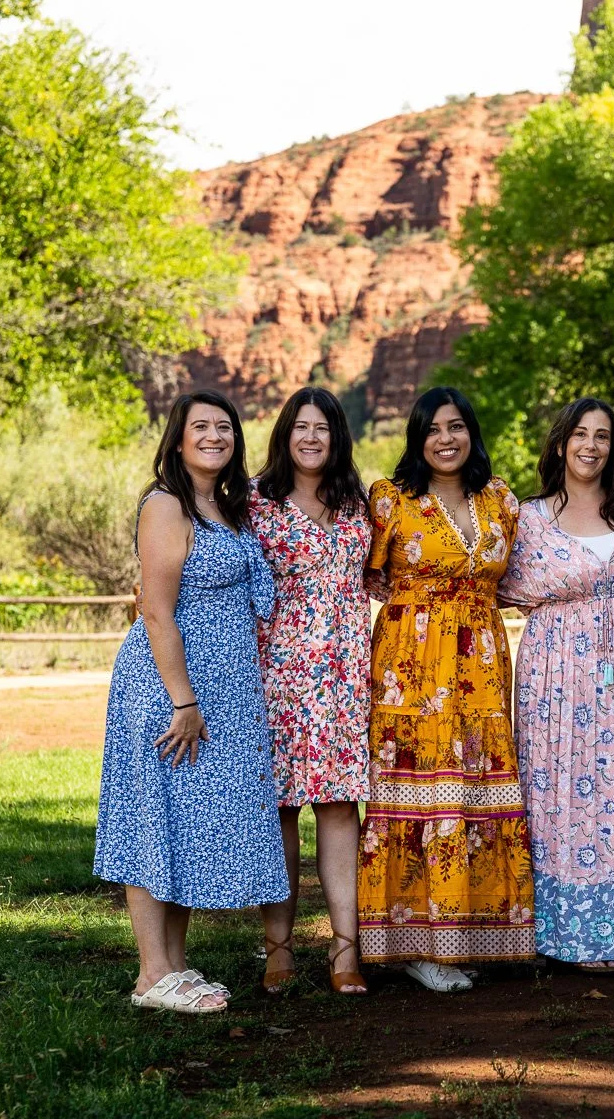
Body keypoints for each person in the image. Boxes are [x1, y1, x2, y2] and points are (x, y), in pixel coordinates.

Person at [94, 391, 285, 1014]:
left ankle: (175, 967)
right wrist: (183, 701)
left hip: (222, 688)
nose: (213, 435)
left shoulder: (223, 506)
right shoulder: (167, 503)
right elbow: (155, 608)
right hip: (170, 686)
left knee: (185, 824)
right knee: (154, 821)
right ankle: (152, 975)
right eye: (199, 426)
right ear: (177, 439)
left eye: (224, 426)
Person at [358, 386, 533, 992]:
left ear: (471, 432)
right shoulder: (390, 499)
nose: (446, 438)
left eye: (456, 426)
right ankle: (416, 945)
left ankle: (467, 935)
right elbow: (360, 576)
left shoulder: (501, 499)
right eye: (432, 429)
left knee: (475, 790)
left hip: (482, 658)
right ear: (417, 437)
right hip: (411, 663)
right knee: (420, 791)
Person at [500, 397, 614, 972]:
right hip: (555, 677)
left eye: (602, 436)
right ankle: (563, 932)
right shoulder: (528, 517)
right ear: (561, 442)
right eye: (580, 434)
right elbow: (492, 581)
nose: (591, 445)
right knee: (559, 793)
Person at [251, 387, 372, 996]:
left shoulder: (358, 503)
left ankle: (344, 950)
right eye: (301, 427)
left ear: (337, 436)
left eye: (323, 428)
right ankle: (278, 949)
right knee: (279, 812)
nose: (311, 437)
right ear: (284, 434)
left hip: (347, 677)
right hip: (276, 675)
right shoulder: (254, 502)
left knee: (337, 808)